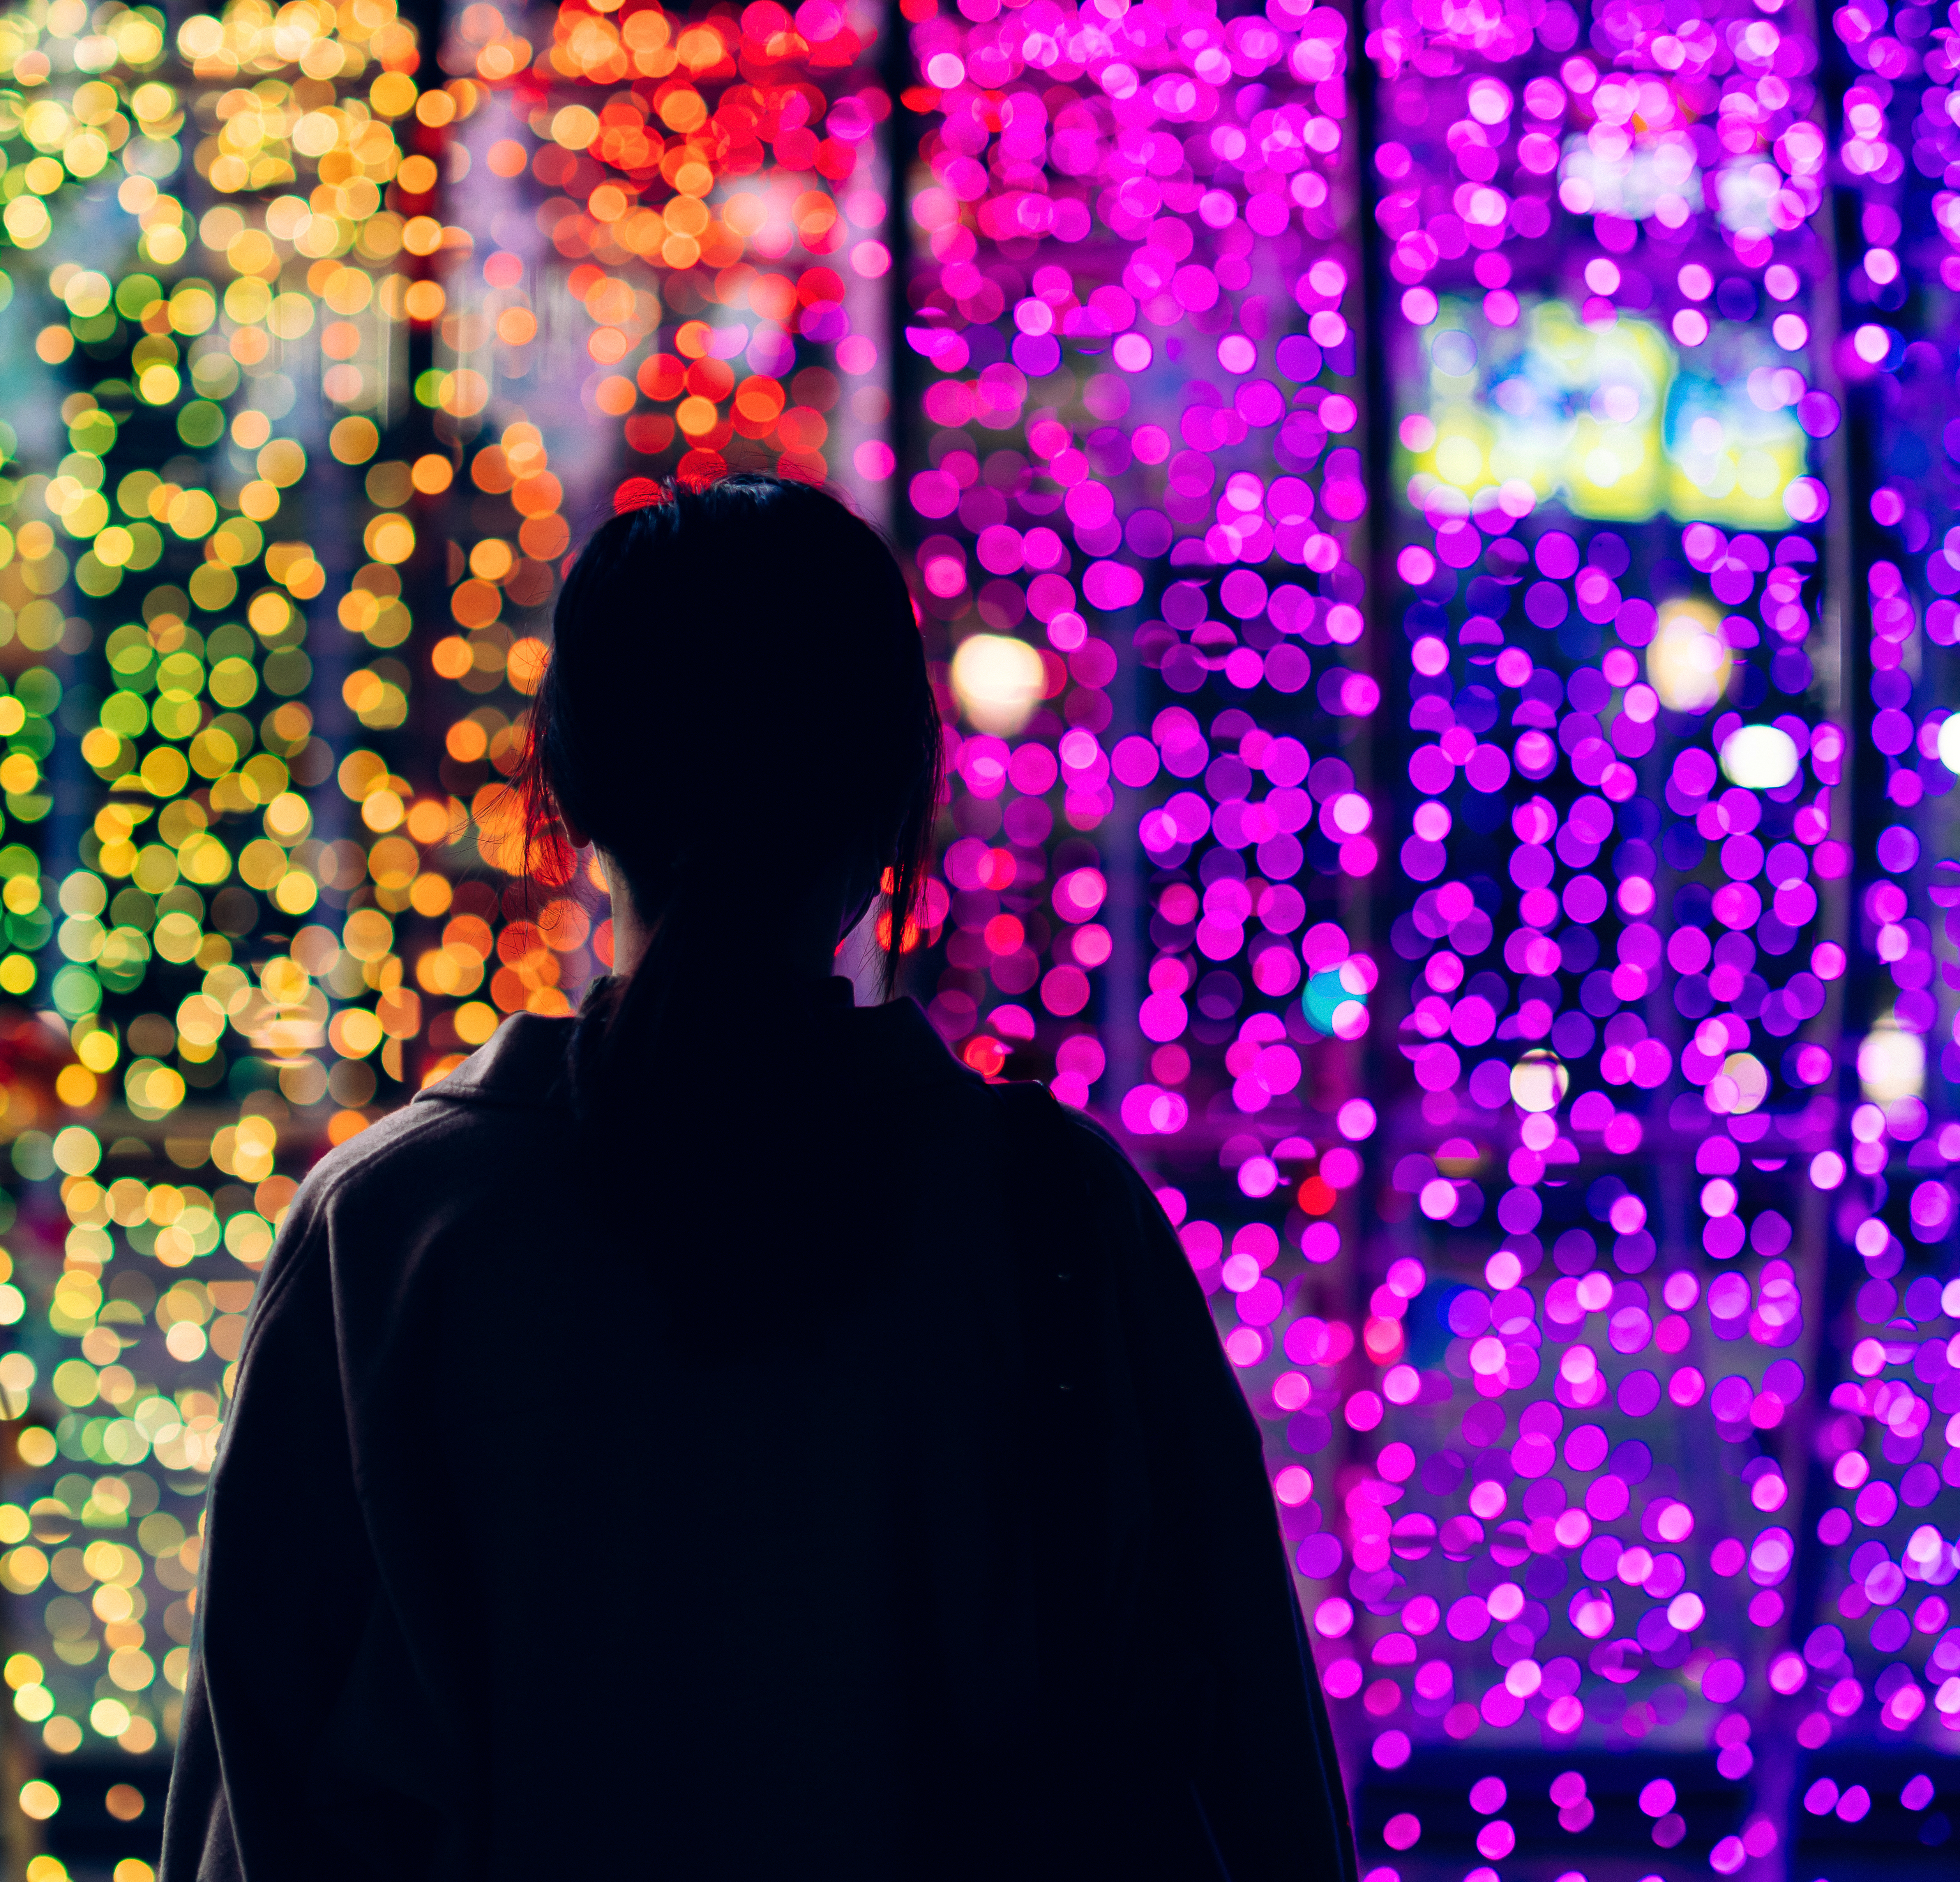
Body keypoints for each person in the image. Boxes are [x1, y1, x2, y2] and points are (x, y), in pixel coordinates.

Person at [161, 473, 1351, 1882]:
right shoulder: (1052, 1217)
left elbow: (264, 1796)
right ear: (893, 797)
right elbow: (1253, 1776)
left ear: (567, 792)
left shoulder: (391, 1232)